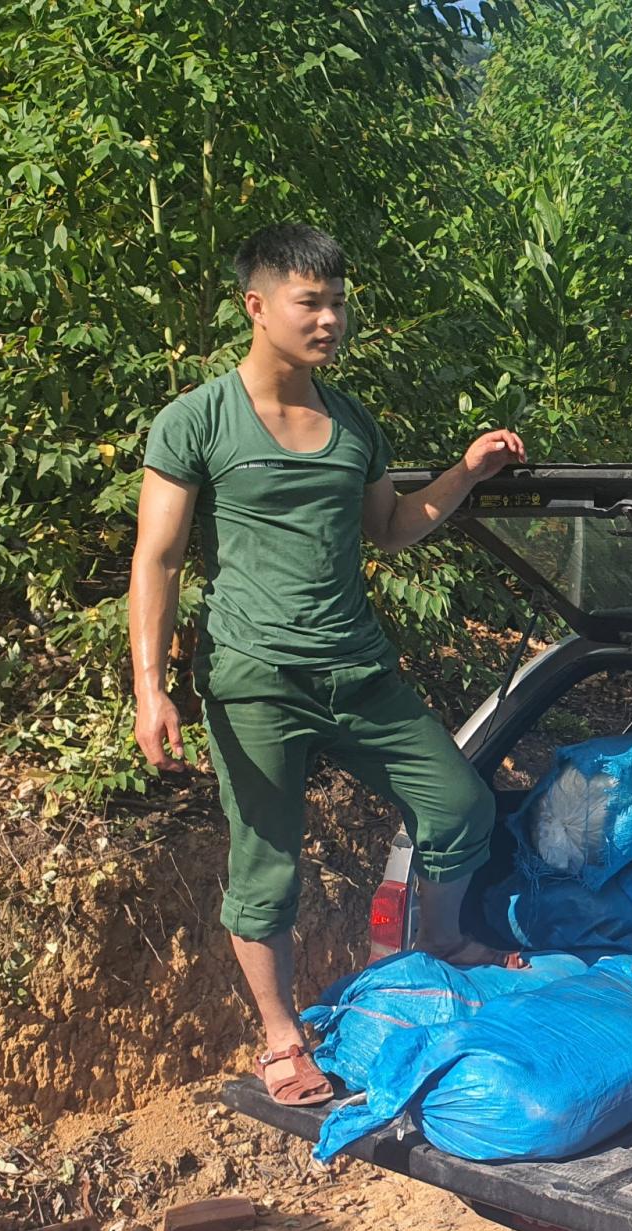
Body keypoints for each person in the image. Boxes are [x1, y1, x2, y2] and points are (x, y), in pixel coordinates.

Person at [128, 223, 527, 1108]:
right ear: (257, 306)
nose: (331, 318)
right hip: (256, 678)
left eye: (338, 301)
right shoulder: (197, 419)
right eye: (312, 301)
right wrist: (150, 686)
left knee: (459, 802)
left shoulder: (353, 421)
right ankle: (280, 1038)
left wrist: (462, 472)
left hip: (358, 671)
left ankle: (443, 946)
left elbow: (390, 529)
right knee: (268, 865)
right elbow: (156, 557)